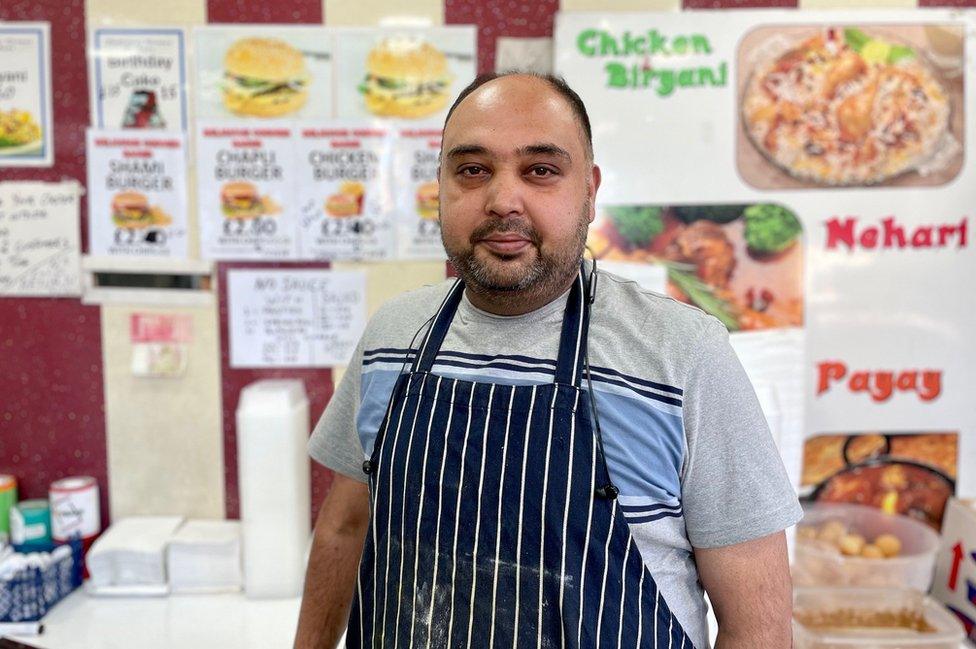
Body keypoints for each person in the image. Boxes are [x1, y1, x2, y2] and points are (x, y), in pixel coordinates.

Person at [294, 72, 802, 649]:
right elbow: (346, 526)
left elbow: (757, 627)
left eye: (541, 170)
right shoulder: (392, 336)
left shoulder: (683, 355)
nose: (503, 200)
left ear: (589, 190)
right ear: (440, 185)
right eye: (472, 169)